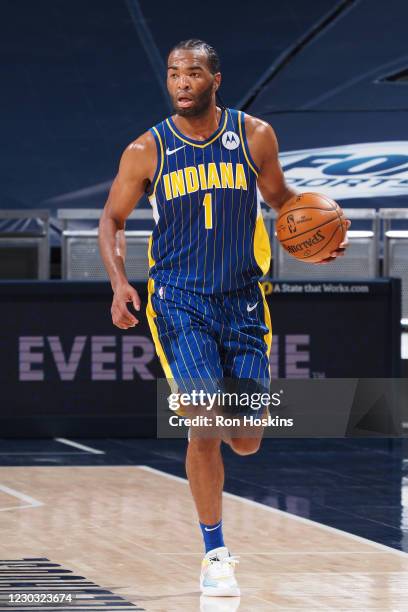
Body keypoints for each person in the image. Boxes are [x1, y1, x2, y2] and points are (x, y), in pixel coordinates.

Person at [98, 38, 350, 598]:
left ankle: (219, 525)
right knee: (204, 420)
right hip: (179, 300)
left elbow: (284, 199)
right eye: (173, 73)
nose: (181, 82)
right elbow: (112, 221)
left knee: (248, 439)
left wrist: (319, 237)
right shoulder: (147, 149)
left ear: (215, 80)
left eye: (192, 73)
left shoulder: (254, 135)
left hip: (242, 298)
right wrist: (119, 284)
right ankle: (215, 553)